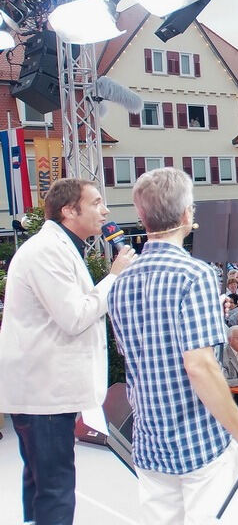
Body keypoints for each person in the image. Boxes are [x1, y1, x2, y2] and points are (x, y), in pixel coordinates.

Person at [107, 168, 238, 523]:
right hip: (199, 443)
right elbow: (199, 366)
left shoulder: (120, 282)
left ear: (142, 216)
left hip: (150, 441)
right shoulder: (194, 274)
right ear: (187, 215)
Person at [0, 178, 137, 524]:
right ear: (69, 210)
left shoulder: (58, 247)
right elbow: (74, 317)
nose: (105, 211)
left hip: (46, 389)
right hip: (44, 392)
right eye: (95, 203)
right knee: (55, 487)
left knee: (41, 482)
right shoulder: (47, 251)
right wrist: (115, 277)